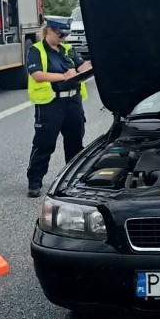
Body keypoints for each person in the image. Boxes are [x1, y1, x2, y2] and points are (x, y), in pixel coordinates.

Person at [26, 17, 93, 197]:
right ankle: (35, 181)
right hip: (51, 103)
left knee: (75, 142)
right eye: (60, 33)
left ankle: (73, 181)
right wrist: (63, 76)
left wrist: (91, 63)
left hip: (73, 102)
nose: (63, 37)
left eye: (66, 34)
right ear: (48, 30)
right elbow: (37, 75)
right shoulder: (36, 50)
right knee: (44, 144)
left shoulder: (68, 50)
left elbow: (81, 66)